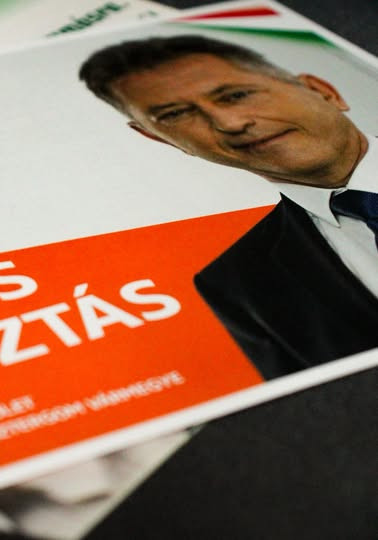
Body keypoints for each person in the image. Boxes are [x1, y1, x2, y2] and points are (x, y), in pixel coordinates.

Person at [79, 35, 378, 380]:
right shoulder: (235, 285)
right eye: (176, 114)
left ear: (323, 92)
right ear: (161, 139)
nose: (231, 123)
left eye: (236, 95)